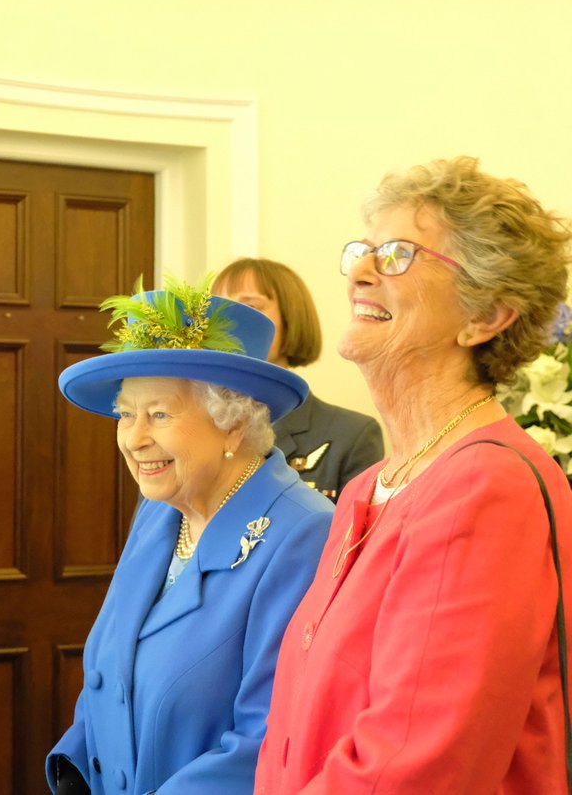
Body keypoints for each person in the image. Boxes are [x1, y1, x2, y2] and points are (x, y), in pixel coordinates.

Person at [255, 157, 572, 794]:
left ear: (487, 316)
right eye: (364, 251)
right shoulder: (367, 488)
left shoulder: (487, 488)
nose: (360, 273)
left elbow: (415, 765)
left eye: (398, 254)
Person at [46, 277, 333, 795]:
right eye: (125, 414)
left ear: (233, 423)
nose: (134, 439)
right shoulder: (160, 513)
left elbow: (265, 740)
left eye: (159, 414)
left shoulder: (303, 534)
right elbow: (110, 674)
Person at [213, 258, 384, 500]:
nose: (231, 322)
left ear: (290, 319)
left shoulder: (350, 435)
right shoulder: (182, 426)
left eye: (250, 307)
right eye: (220, 309)